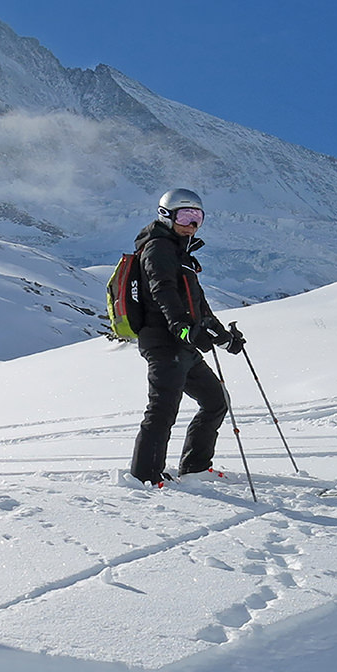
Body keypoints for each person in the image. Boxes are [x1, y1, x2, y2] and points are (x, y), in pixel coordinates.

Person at [128, 188, 246, 487]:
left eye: (198, 217)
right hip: (164, 341)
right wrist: (181, 327)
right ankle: (145, 477)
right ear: (166, 215)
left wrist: (223, 337)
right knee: (162, 409)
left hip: (184, 343)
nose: (192, 224)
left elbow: (199, 305)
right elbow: (162, 290)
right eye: (185, 215)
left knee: (215, 401)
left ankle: (195, 468)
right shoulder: (158, 248)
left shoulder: (182, 254)